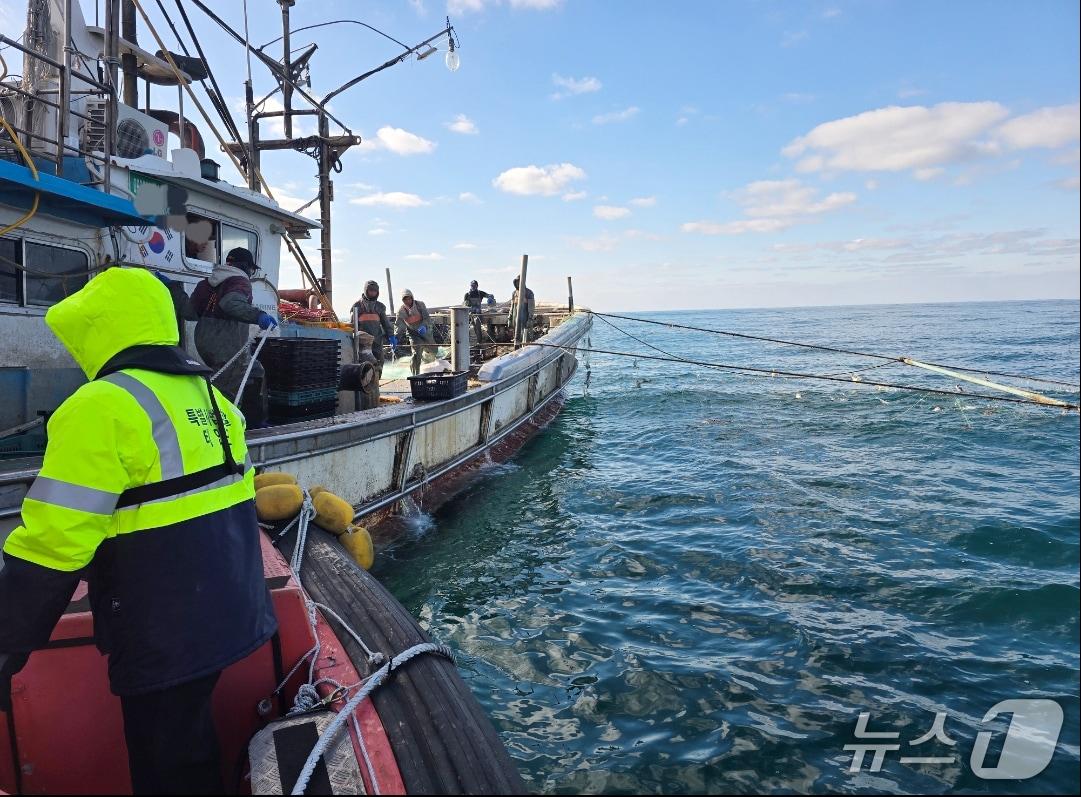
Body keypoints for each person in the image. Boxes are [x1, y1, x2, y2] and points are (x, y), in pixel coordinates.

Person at [0, 267, 277, 794]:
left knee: (165, 767)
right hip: (232, 613)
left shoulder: (99, 406)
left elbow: (52, 546)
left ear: (99, 333)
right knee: (188, 747)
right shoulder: (213, 400)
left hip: (164, 631)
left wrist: (6, 647)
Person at [189, 247, 277, 427]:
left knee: (255, 370)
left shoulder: (206, 283)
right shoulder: (239, 280)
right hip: (226, 341)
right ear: (245, 267)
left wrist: (173, 288)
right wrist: (258, 316)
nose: (251, 273)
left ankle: (254, 420)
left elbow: (191, 312)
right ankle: (224, 428)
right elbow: (230, 303)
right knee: (227, 387)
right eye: (252, 269)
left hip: (204, 340)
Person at [351, 280, 397, 404]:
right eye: (370, 290)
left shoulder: (380, 307)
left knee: (379, 362)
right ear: (366, 290)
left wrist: (391, 336)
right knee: (364, 364)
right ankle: (364, 388)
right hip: (362, 343)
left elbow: (386, 324)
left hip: (377, 340)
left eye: (375, 291)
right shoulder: (357, 306)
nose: (372, 293)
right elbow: (351, 325)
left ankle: (375, 386)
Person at [395, 288, 435, 376]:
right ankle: (415, 375)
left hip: (425, 332)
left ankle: (431, 372)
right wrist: (395, 338)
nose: (407, 301)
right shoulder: (401, 311)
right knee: (416, 354)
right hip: (413, 334)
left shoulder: (420, 305)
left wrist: (424, 326)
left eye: (408, 298)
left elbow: (427, 318)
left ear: (412, 298)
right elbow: (399, 326)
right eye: (405, 299)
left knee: (433, 350)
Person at [463, 280, 496, 344]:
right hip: (469, 314)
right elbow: (464, 305)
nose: (473, 287)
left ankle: (479, 342)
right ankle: (466, 342)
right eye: (472, 285)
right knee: (466, 328)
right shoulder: (467, 295)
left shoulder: (480, 293)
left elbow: (489, 295)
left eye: (474, 285)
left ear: (477, 286)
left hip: (478, 314)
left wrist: (491, 297)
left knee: (477, 326)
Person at [509, 276, 536, 343]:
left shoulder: (529, 292)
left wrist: (530, 318)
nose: (518, 284)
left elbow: (531, 307)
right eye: (517, 282)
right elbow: (512, 306)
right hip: (516, 316)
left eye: (519, 282)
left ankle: (526, 344)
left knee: (525, 333)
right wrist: (510, 317)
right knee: (516, 332)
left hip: (525, 315)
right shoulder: (514, 293)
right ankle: (517, 343)